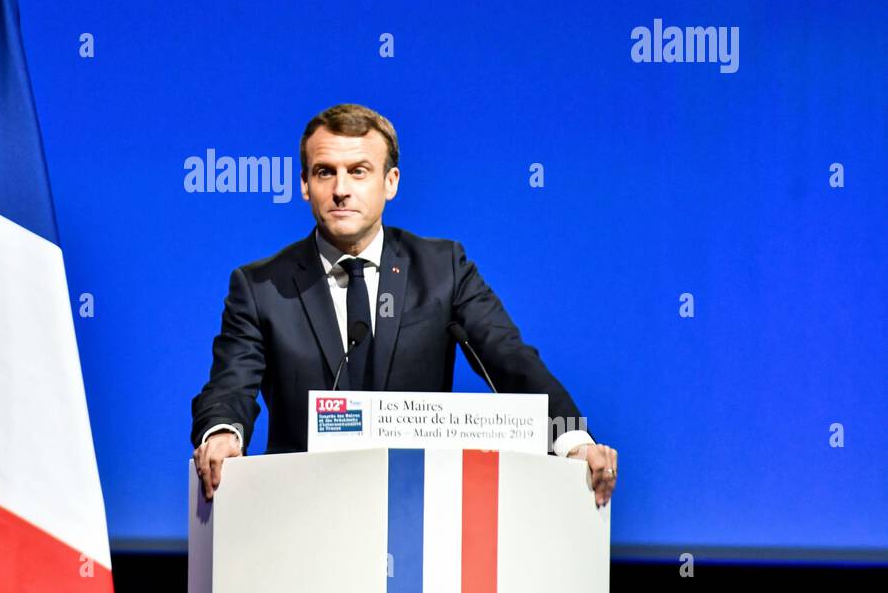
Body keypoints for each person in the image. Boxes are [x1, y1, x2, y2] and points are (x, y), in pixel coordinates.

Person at [190, 103, 617, 507]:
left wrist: (572, 441)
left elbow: (509, 359)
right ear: (304, 185)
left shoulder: (443, 269)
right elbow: (231, 382)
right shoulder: (262, 285)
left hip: (421, 513)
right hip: (301, 511)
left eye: (358, 171)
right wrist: (223, 432)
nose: (341, 190)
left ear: (390, 182)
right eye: (325, 172)